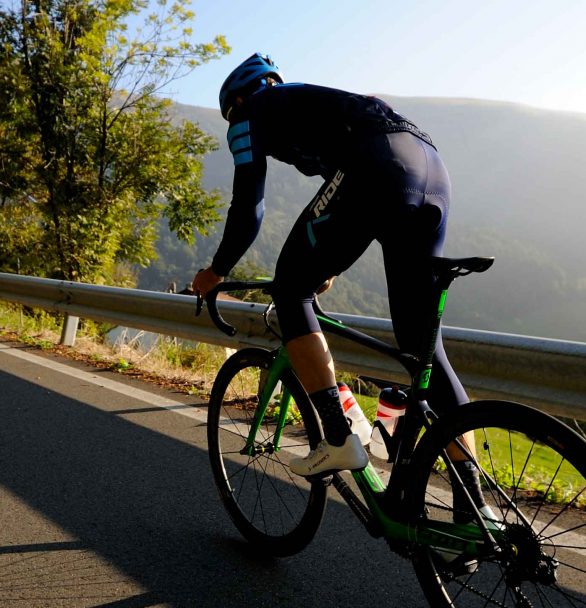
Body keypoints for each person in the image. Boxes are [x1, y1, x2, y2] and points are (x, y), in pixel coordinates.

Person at [193, 53, 475, 483]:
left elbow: (249, 205)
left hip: (377, 163)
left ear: (236, 101)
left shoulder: (248, 114)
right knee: (423, 348)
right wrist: (329, 264)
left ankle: (338, 438)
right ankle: (476, 505)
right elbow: (353, 205)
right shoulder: (315, 108)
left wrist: (217, 270)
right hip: (431, 167)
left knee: (290, 289)